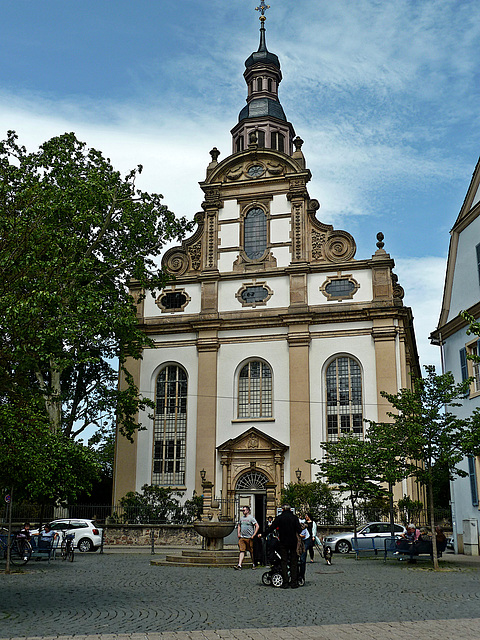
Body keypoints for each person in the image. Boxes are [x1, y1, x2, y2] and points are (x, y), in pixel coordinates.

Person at [265, 505, 302, 589]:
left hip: (283, 542)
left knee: (284, 561)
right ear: (290, 509)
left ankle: (285, 582)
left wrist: (263, 534)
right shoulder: (294, 518)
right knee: (294, 562)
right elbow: (299, 530)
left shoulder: (279, 518)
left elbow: (272, 528)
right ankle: (294, 582)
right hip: (293, 542)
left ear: (282, 509)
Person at [235, 506, 259, 570]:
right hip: (242, 537)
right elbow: (239, 525)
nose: (243, 511)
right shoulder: (241, 518)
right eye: (243, 510)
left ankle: (254, 564)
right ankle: (239, 565)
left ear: (248, 511)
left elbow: (257, 526)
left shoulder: (251, 518)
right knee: (242, 550)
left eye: (244, 510)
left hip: (249, 538)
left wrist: (253, 535)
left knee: (251, 551)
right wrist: (238, 533)